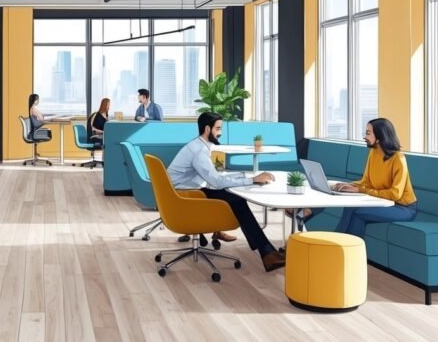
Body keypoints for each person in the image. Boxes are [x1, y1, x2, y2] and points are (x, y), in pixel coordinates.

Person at [167, 112, 286, 272]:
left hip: (184, 192)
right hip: (185, 196)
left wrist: (246, 176)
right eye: (218, 129)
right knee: (237, 200)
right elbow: (217, 182)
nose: (220, 132)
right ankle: (267, 252)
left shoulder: (197, 145)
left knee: (234, 198)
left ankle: (266, 251)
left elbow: (214, 177)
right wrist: (252, 180)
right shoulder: (199, 152)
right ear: (207, 129)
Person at [296, 118, 418, 237]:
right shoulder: (374, 153)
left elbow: (395, 194)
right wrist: (349, 185)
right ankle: (337, 241)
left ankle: (342, 243)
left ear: (380, 137)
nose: (365, 137)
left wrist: (361, 189)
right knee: (350, 206)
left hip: (402, 208)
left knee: (358, 214)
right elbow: (366, 181)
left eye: (368, 133)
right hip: (383, 201)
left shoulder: (398, 159)